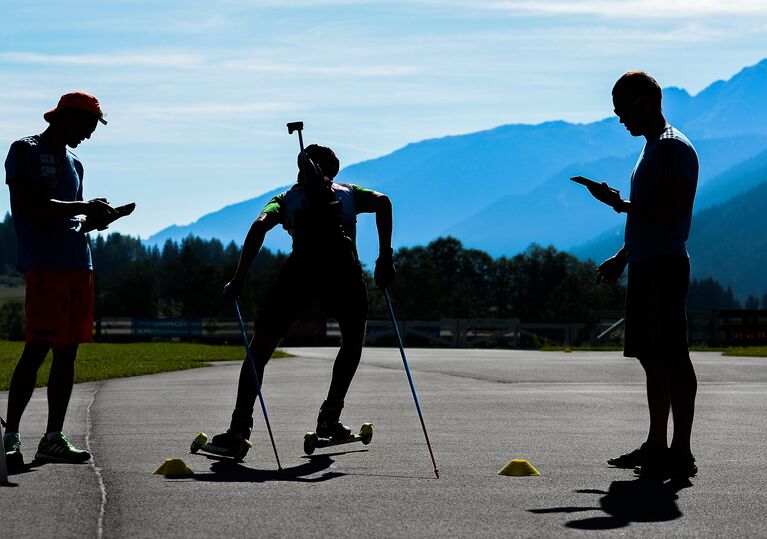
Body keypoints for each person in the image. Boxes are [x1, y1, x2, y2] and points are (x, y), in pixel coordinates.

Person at [210, 143, 395, 454]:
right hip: (344, 273)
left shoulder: (285, 199)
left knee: (260, 349)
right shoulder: (348, 192)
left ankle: (239, 428)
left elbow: (258, 227)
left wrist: (239, 277)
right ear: (333, 170)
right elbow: (384, 202)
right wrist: (384, 258)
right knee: (351, 343)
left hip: (299, 273)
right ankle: (329, 419)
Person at [575, 71, 699, 480]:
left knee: (673, 357)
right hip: (648, 264)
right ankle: (657, 445)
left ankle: (679, 450)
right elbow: (652, 216)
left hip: (664, 266)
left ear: (647, 103)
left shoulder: (672, 149)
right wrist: (622, 257)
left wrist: (619, 205)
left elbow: (673, 211)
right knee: (652, 359)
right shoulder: (651, 149)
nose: (621, 119)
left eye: (623, 110)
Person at [3, 91, 119, 467]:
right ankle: (11, 436)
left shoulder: (76, 163)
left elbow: (71, 219)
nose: (89, 134)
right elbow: (32, 205)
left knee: (67, 352)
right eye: (86, 125)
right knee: (37, 348)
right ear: (65, 117)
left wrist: (96, 219)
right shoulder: (25, 149)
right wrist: (86, 207)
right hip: (45, 264)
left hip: (77, 264)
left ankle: (52, 437)